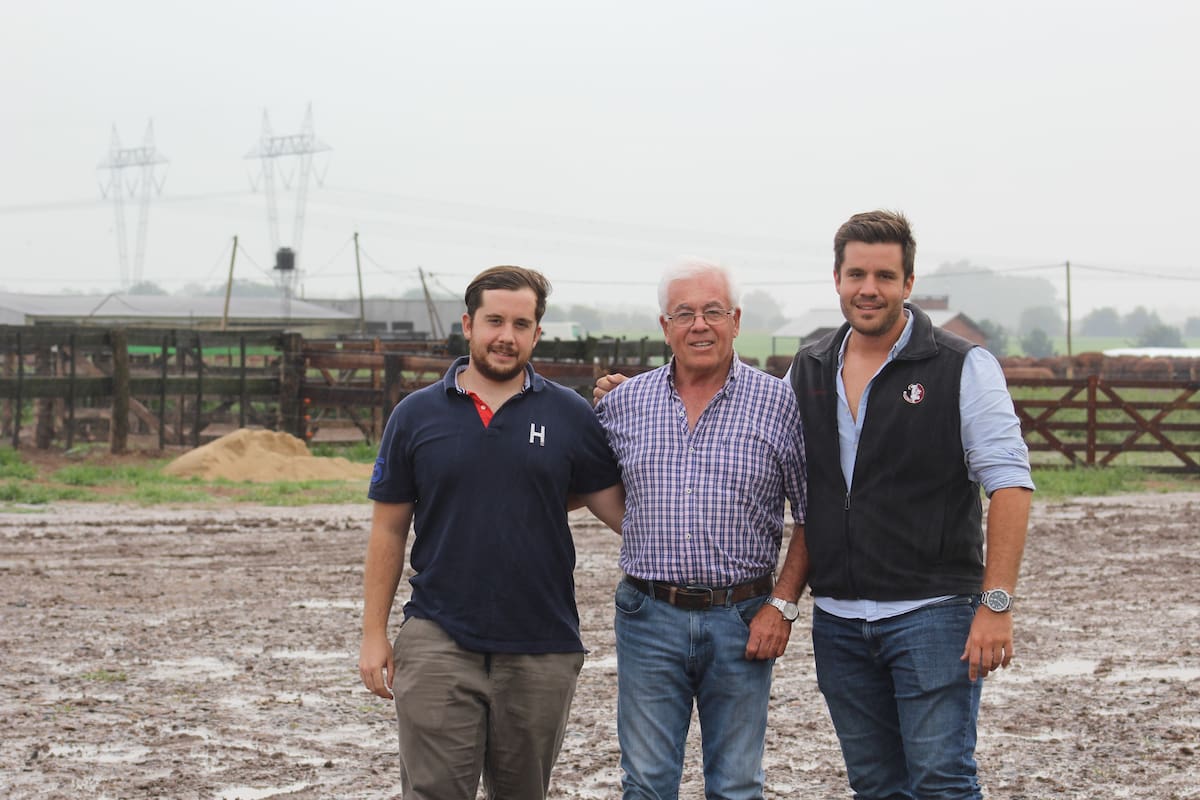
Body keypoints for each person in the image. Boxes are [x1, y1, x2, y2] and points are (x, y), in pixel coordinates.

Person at [789, 210, 1034, 800]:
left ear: (908, 282)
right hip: (841, 621)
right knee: (874, 785)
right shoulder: (811, 364)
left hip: (933, 614)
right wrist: (638, 391)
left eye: (884, 276)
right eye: (856, 275)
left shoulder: (962, 366)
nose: (868, 289)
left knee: (941, 781)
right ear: (837, 278)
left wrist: (995, 603)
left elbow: (1009, 484)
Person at [359, 265, 625, 800]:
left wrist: (641, 412)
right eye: (495, 321)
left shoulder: (570, 415)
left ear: (537, 334)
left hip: (541, 645)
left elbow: (624, 512)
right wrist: (372, 634)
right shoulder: (415, 416)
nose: (506, 335)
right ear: (469, 324)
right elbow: (388, 530)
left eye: (521, 324)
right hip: (438, 637)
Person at [594, 259, 808, 800]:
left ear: (736, 320)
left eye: (713, 311)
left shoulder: (781, 404)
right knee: (645, 783)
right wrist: (638, 525)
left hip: (743, 618)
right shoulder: (623, 404)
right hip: (647, 616)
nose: (700, 325)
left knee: (737, 785)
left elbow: (812, 514)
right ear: (664, 326)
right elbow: (580, 485)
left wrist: (782, 605)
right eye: (684, 313)